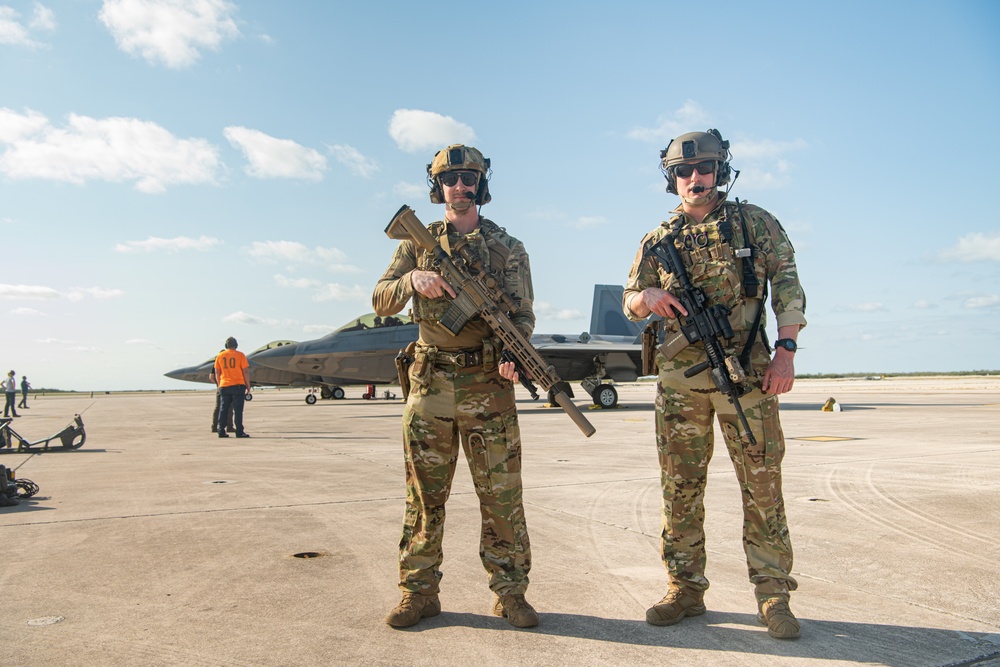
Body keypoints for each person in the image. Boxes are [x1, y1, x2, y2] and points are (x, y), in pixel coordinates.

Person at [623, 129, 807, 639]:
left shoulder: (755, 224)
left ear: (721, 170)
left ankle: (773, 596)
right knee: (680, 489)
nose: (694, 178)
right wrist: (649, 297)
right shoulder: (657, 240)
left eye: (704, 168)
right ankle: (684, 588)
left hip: (748, 377)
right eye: (684, 171)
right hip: (681, 384)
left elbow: (788, 288)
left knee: (763, 487)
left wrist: (786, 353)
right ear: (672, 179)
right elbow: (629, 299)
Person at [373, 144, 538, 629]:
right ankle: (418, 593)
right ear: (438, 187)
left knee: (502, 496)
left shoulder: (508, 248)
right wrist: (414, 280)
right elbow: (381, 298)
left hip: (488, 384)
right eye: (451, 180)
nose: (460, 187)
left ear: (481, 185)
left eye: (468, 179)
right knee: (424, 496)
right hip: (429, 385)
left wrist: (515, 353)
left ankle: (510, 593)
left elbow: (523, 315)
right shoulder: (415, 246)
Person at [213, 337, 251, 439]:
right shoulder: (240, 355)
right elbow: (245, 371)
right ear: (236, 345)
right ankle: (239, 432)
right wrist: (248, 385)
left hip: (224, 386)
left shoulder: (220, 356)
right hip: (238, 386)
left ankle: (221, 431)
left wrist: (219, 383)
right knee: (238, 410)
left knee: (223, 409)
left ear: (226, 346)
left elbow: (217, 372)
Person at [209, 364, 235, 433]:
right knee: (229, 407)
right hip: (229, 386)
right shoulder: (229, 364)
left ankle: (214, 427)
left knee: (218, 407)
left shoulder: (216, 364)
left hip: (220, 387)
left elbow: (211, 377)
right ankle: (229, 427)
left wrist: (218, 384)